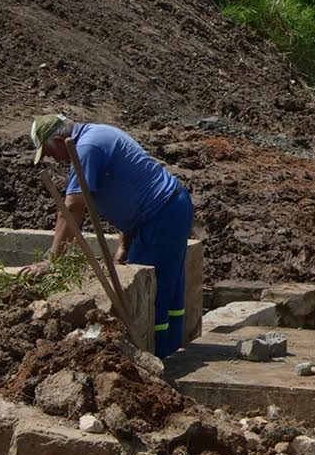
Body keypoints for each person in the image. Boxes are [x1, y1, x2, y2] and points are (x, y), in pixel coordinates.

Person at [22, 114, 193, 358]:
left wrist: (52, 260)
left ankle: (157, 359)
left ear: (60, 140)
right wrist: (124, 244)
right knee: (168, 285)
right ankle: (172, 351)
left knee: (151, 294)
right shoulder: (98, 134)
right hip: (168, 209)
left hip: (160, 216)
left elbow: (72, 208)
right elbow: (130, 187)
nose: (54, 160)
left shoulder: (87, 148)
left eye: (50, 153)